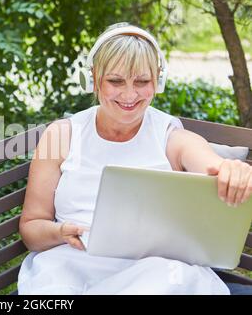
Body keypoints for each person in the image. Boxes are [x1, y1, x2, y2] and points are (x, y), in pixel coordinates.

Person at [17, 22, 252, 295]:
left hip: (152, 270)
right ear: (94, 79)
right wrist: (60, 233)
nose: (129, 95)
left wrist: (231, 170)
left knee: (169, 279)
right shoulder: (61, 135)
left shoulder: (170, 137)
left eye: (142, 81)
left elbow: (211, 165)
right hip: (71, 262)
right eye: (115, 81)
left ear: (158, 81)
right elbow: (32, 226)